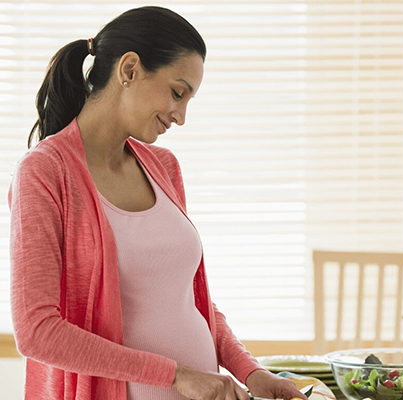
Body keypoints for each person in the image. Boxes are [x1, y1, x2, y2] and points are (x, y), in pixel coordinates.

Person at [9, 6, 308, 400]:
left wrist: (250, 371)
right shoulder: (45, 172)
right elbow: (37, 332)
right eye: (177, 92)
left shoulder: (163, 167)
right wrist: (176, 375)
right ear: (129, 69)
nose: (181, 116)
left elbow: (188, 300)